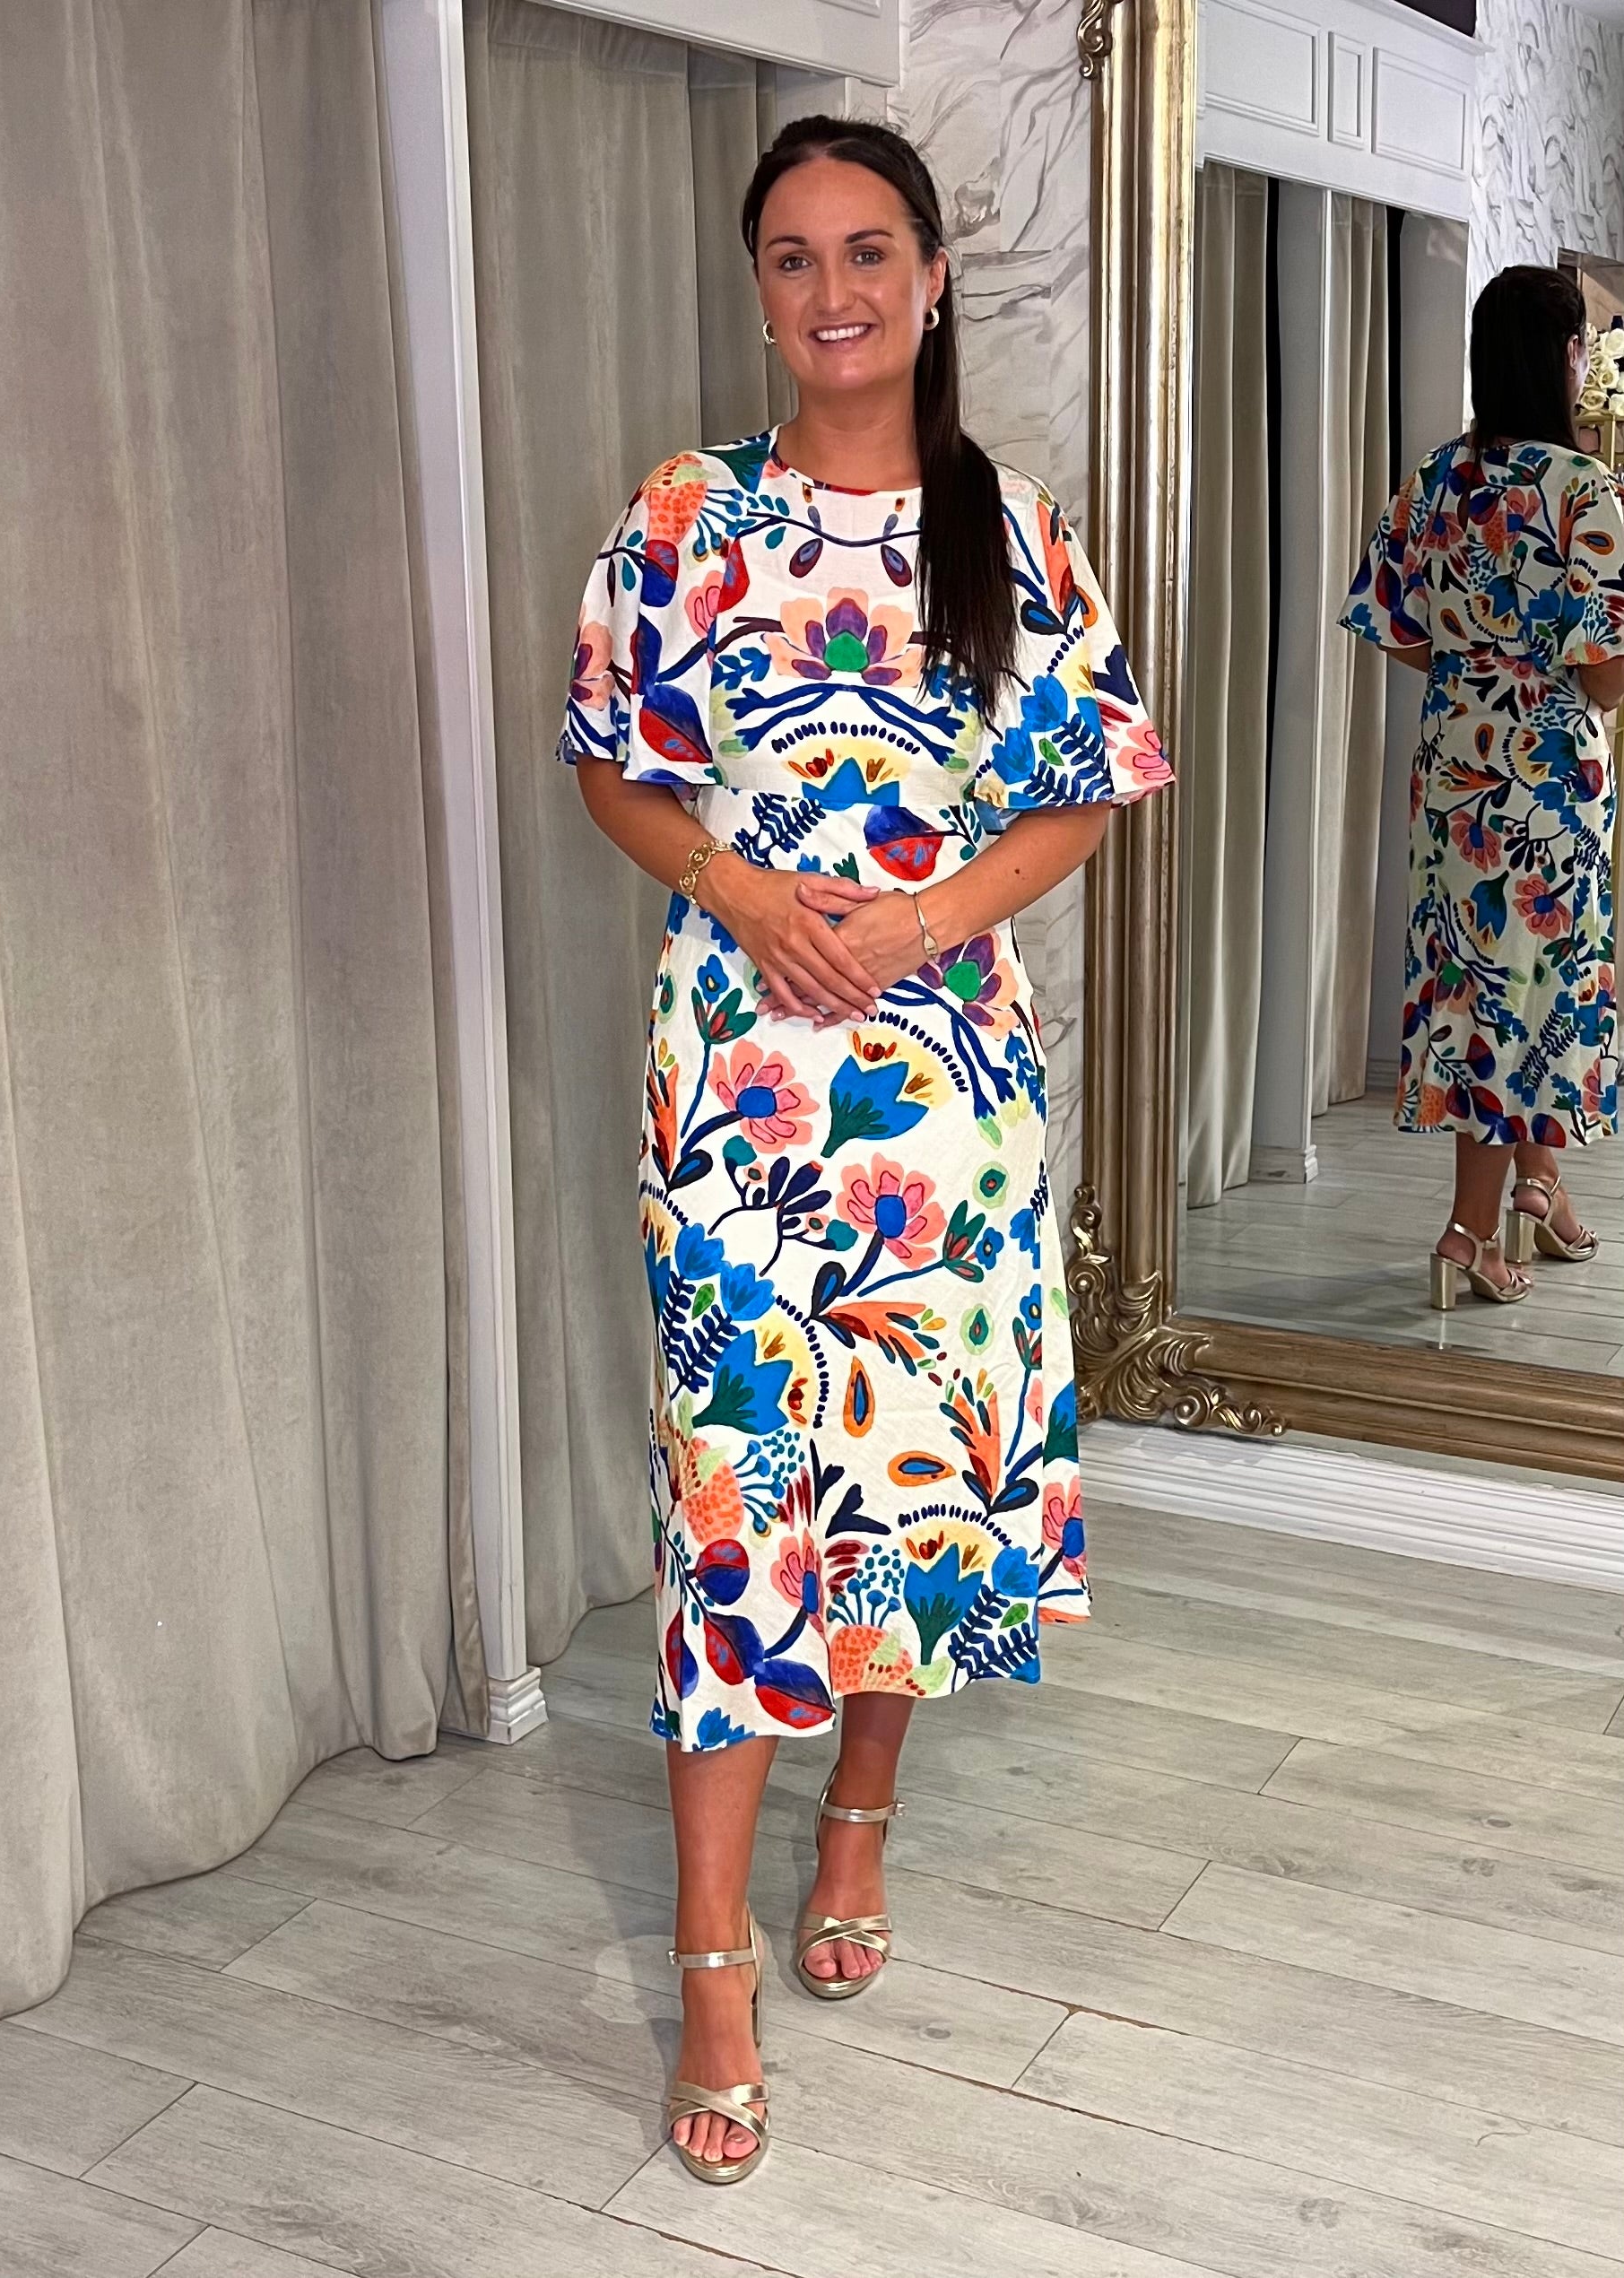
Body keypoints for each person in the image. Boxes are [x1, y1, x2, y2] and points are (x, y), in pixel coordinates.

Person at [557, 115, 1168, 2184]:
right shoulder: (686, 516)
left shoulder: (1015, 527)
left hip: (945, 1090)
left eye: (868, 249)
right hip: (735, 1085)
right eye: (794, 256)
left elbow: (1080, 793)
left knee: (911, 1466)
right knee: (733, 1495)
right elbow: (613, 766)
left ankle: (863, 1813)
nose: (834, 288)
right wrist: (739, 886)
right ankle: (709, 1964)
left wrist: (914, 924)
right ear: (761, 289)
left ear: (928, 276)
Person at [1342, 264, 1623, 1309]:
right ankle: (1465, 1230)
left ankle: (1538, 1189)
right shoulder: (1584, 492)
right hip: (1548, 782)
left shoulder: (1434, 479)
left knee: (1480, 982)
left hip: (1456, 770)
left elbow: (1389, 624)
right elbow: (1605, 674)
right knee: (1523, 990)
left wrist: (1477, 668)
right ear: (1562, 356)